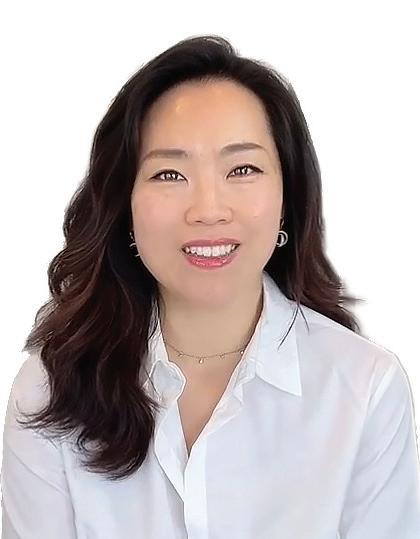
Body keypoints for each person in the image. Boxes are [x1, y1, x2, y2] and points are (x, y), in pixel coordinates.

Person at [1, 34, 420, 538]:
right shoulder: (49, 389)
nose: (208, 210)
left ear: (288, 197)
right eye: (169, 174)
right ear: (124, 205)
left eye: (242, 169)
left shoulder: (365, 389)